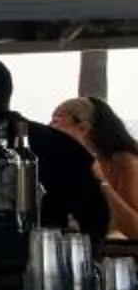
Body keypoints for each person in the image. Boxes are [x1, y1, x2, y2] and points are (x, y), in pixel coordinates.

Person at [0, 57, 107, 236]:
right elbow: (97, 221)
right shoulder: (58, 143)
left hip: (29, 257)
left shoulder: (51, 147)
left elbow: (94, 216)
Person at [51, 96, 138, 239]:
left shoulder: (125, 163)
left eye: (56, 121)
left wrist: (102, 182)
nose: (50, 127)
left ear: (83, 128)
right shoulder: (69, 163)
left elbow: (135, 230)